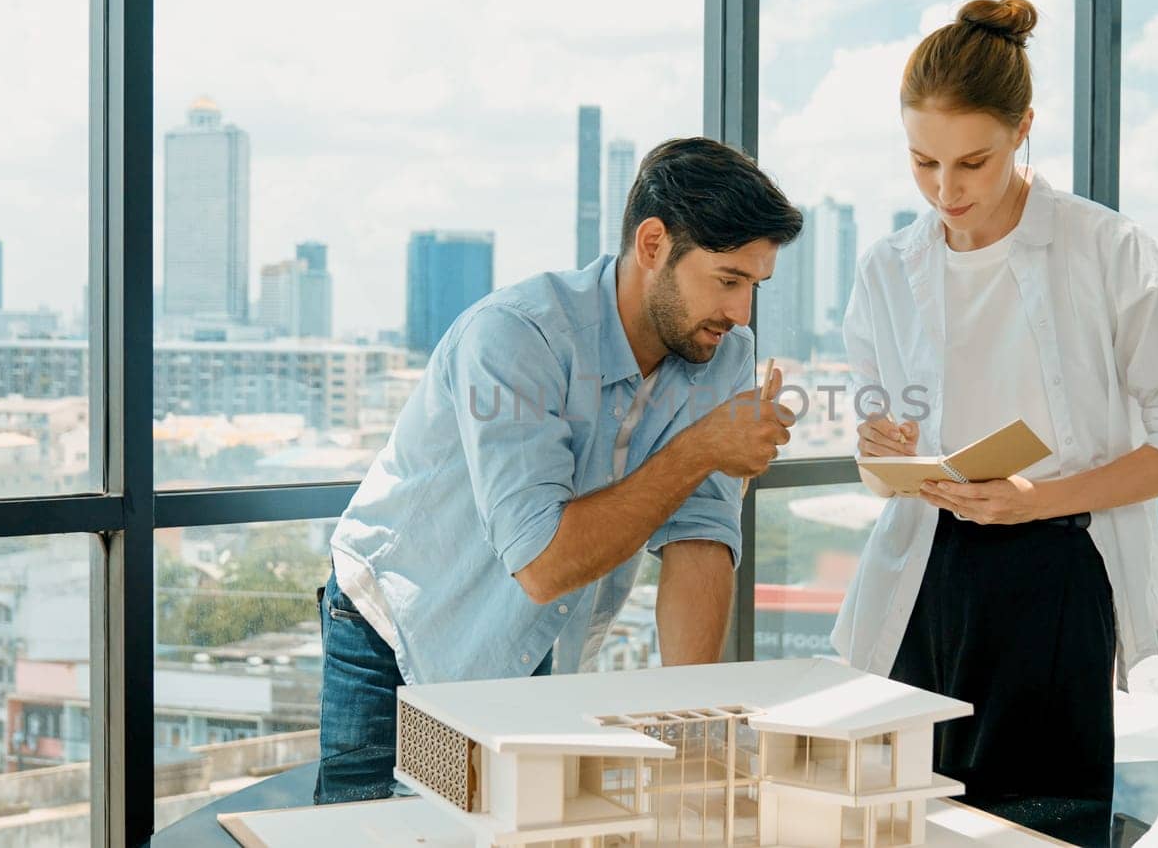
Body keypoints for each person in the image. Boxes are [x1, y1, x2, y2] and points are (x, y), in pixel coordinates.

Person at [315, 137, 802, 804]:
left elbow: (699, 537)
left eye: (754, 285)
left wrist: (693, 728)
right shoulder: (517, 338)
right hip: (400, 627)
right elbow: (542, 562)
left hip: (540, 644)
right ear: (654, 244)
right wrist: (702, 448)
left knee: (507, 826)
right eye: (727, 280)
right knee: (368, 838)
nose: (741, 312)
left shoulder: (721, 353)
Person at [835, 0, 1158, 837]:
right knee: (906, 820)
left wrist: (1035, 500)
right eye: (922, 163)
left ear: (1024, 130)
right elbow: (873, 469)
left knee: (1038, 825)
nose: (947, 190)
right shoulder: (884, 271)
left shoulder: (1109, 251)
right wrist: (879, 448)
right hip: (921, 576)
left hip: (1054, 571)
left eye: (972, 162)